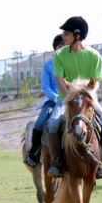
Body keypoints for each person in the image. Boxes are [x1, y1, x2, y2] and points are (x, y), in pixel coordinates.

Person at [46, 16, 102, 179]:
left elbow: (96, 82)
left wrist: (88, 93)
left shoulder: (94, 55)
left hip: (89, 100)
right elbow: (59, 80)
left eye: (66, 33)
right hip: (66, 99)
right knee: (52, 125)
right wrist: (71, 95)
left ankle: (98, 163)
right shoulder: (59, 55)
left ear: (77, 35)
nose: (63, 36)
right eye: (63, 33)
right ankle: (56, 163)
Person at [23, 34, 64, 167]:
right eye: (59, 47)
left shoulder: (72, 64)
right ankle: (34, 153)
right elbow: (45, 86)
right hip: (53, 99)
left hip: (70, 99)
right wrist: (55, 97)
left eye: (64, 47)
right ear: (55, 49)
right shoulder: (48, 65)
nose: (61, 49)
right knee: (40, 121)